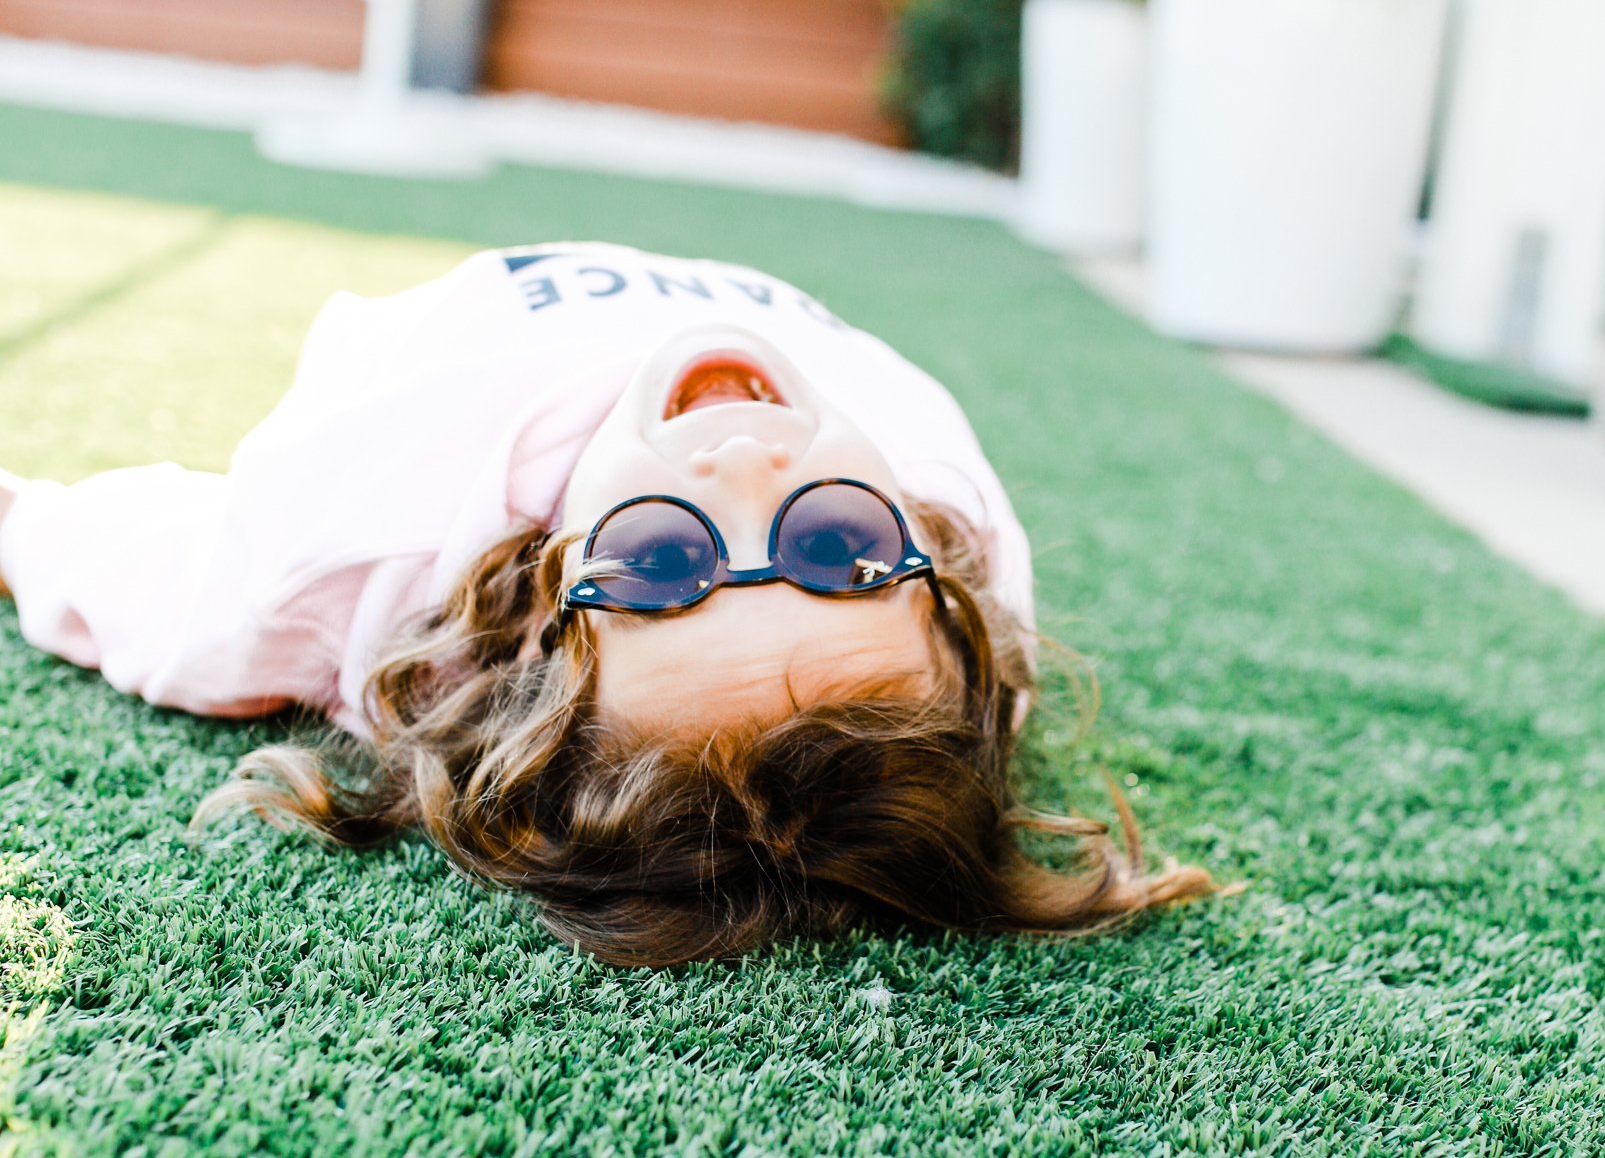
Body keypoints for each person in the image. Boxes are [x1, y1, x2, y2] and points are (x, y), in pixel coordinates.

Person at [0, 240, 1215, 965]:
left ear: (538, 612)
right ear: (933, 562)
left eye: (652, 563)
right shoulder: (956, 522)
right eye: (843, 546)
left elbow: (131, 566)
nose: (745, 466)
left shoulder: (337, 537)